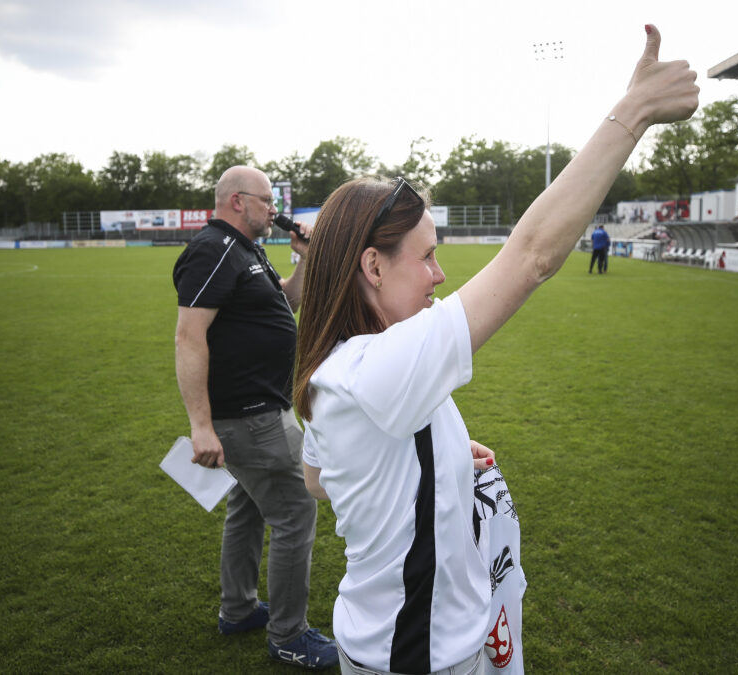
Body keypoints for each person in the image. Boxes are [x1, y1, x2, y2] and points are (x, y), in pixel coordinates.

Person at [292, 25, 698, 675]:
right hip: (420, 659)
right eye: (426, 256)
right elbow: (532, 255)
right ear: (372, 265)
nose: (439, 274)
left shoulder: (341, 368)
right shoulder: (378, 372)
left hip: (399, 645)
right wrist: (635, 110)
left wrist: (436, 460)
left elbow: (318, 479)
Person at [172, 166, 338, 669]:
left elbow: (286, 303)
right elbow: (188, 336)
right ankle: (288, 634)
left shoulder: (246, 251)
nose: (275, 209)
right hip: (250, 417)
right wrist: (200, 426)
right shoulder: (212, 249)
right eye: (267, 200)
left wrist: (306, 262)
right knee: (295, 512)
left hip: (261, 409)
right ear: (238, 202)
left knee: (246, 508)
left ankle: (239, 608)